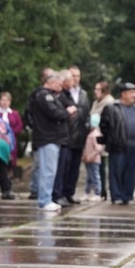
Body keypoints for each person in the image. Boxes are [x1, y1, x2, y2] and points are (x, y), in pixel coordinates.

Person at [30, 73, 74, 211]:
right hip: (48, 138)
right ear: (51, 82)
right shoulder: (44, 95)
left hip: (51, 138)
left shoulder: (48, 95)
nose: (60, 87)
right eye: (59, 84)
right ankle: (44, 200)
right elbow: (55, 112)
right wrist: (67, 112)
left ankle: (46, 199)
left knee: (50, 170)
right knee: (47, 171)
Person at [99, 82, 135, 205]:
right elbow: (104, 126)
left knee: (131, 173)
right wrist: (112, 138)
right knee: (117, 171)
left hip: (134, 145)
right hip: (118, 145)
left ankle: (128, 196)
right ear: (123, 94)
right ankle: (117, 196)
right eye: (132, 92)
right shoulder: (112, 108)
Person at [56, 66, 90, 205]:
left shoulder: (84, 94)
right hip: (66, 135)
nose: (75, 79)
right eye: (73, 76)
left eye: (78, 76)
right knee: (64, 166)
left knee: (75, 168)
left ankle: (70, 193)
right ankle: (61, 193)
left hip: (80, 136)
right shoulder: (63, 94)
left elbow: (85, 113)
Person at [0, 91, 24, 200]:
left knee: (9, 165)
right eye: (3, 100)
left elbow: (19, 126)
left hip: (10, 142)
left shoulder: (14, 113)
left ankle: (7, 189)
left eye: (7, 100)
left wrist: (8, 132)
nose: (4, 102)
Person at [27, 67, 55, 200]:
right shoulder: (38, 94)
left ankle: (42, 190)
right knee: (38, 163)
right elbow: (29, 113)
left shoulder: (53, 94)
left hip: (48, 134)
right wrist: (35, 126)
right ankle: (35, 189)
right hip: (40, 134)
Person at [52, 69, 78, 207]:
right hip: (61, 136)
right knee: (58, 168)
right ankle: (57, 194)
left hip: (68, 136)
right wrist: (69, 112)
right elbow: (61, 113)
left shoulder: (67, 94)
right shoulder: (58, 96)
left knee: (65, 167)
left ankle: (62, 193)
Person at [90, 80, 115, 201]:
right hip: (94, 136)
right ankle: (97, 190)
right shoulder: (96, 102)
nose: (95, 91)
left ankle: (103, 190)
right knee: (95, 165)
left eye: (97, 89)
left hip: (103, 136)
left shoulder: (109, 102)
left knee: (102, 165)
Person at [81, 113, 104, 201]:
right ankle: (87, 192)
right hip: (88, 159)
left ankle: (98, 193)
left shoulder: (97, 134)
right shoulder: (89, 134)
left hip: (94, 160)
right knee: (89, 177)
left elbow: (99, 148)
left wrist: (91, 156)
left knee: (95, 176)